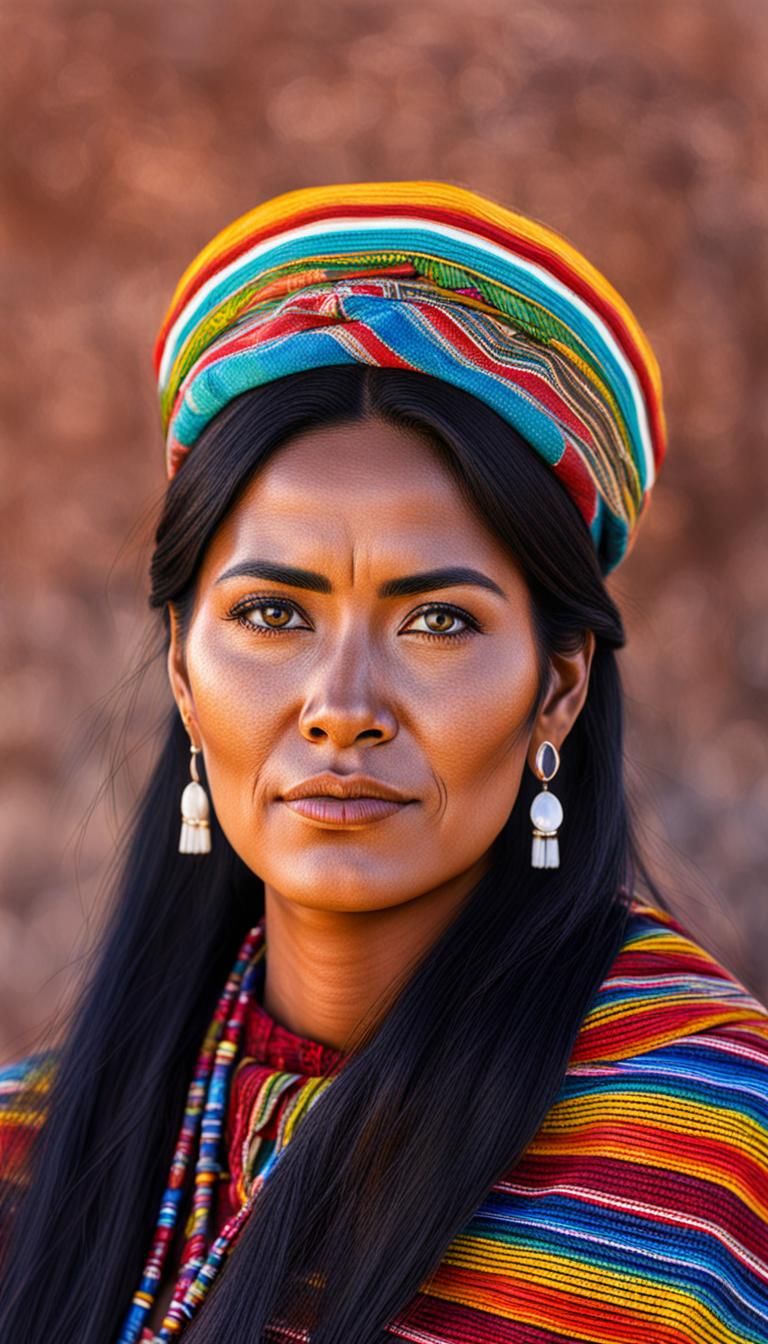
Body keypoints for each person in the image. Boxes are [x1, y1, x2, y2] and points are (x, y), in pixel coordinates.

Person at [0, 181, 766, 1344]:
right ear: (182, 668)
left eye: (437, 622)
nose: (342, 709)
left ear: (559, 683)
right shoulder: (30, 1152)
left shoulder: (706, 1163)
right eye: (272, 614)